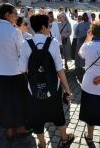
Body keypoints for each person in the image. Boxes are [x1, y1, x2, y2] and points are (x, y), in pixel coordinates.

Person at [19, 14, 75, 148]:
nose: (50, 28)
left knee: (36, 115)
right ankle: (64, 137)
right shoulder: (53, 42)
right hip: (53, 88)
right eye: (49, 26)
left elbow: (21, 68)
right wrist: (67, 90)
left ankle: (42, 143)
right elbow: (59, 69)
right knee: (58, 112)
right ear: (44, 27)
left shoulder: (26, 44)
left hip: (34, 89)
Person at [0, 3, 30, 139]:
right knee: (19, 101)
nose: (17, 16)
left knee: (3, 101)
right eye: (15, 13)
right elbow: (21, 54)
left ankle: (9, 129)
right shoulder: (14, 31)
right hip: (14, 73)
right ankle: (20, 127)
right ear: (7, 15)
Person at [75, 13, 91, 81]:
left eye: (85, 16)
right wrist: (80, 37)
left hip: (88, 44)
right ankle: (78, 69)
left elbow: (93, 34)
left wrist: (87, 38)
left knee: (86, 56)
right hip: (80, 42)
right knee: (79, 55)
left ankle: (85, 69)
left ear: (88, 17)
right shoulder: (79, 24)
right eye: (83, 16)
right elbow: (76, 33)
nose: (84, 17)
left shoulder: (91, 25)